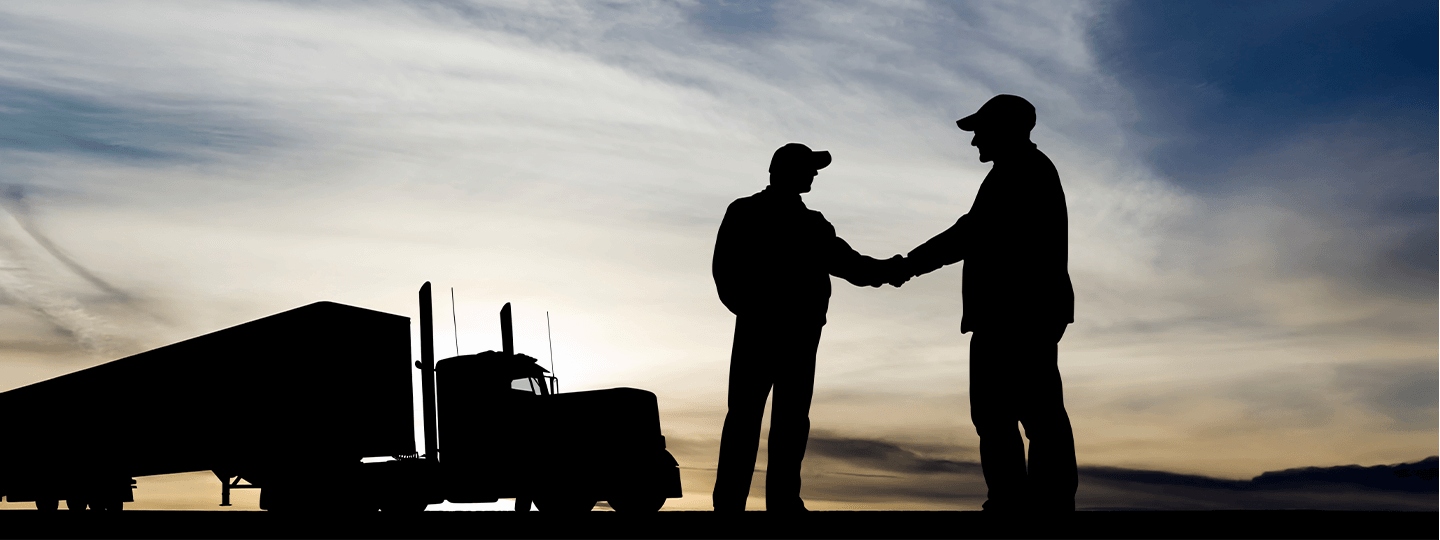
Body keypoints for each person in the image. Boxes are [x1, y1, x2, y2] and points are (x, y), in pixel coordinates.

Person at [892, 95, 1078, 513]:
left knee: (1021, 414)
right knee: (1013, 413)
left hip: (1016, 313)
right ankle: (1025, 500)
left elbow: (970, 233)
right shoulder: (1016, 172)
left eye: (981, 130)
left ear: (1005, 129)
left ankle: (1030, 503)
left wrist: (908, 265)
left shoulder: (1022, 173)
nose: (974, 140)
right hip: (1017, 311)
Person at [711, 143, 905, 512]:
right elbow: (726, 271)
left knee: (789, 418)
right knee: (748, 416)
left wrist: (890, 269)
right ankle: (732, 504)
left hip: (798, 332)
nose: (814, 174)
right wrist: (754, 310)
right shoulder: (747, 212)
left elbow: (850, 264)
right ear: (783, 171)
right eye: (808, 168)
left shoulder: (812, 223)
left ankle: (779, 502)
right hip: (765, 329)